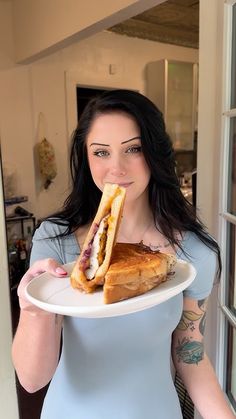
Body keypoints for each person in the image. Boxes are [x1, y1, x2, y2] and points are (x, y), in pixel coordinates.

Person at [12, 90, 235, 419]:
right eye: (101, 152)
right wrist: (33, 310)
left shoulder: (191, 252)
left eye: (133, 148)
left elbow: (191, 356)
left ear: (155, 153)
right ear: (86, 159)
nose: (116, 168)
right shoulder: (57, 242)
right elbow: (32, 380)